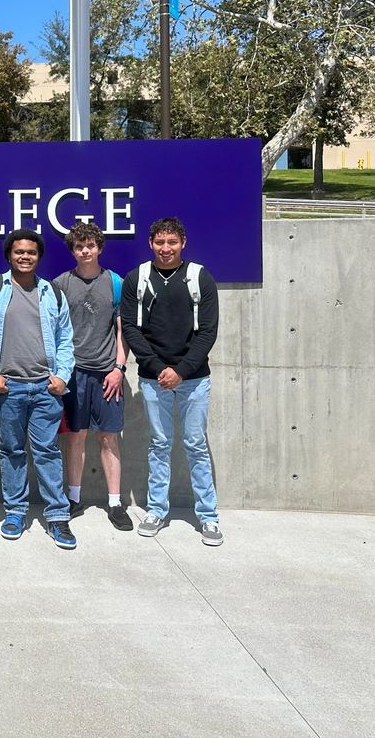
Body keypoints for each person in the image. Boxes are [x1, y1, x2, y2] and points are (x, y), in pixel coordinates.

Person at [120, 217, 223, 546]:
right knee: (160, 445)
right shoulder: (137, 278)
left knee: (195, 446)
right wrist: (156, 366)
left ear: (183, 243)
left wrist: (181, 370)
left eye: (172, 242)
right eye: (160, 242)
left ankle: (209, 517)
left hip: (194, 380)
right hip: (152, 380)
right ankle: (156, 510)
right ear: (151, 243)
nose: (166, 249)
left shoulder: (199, 277)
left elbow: (207, 331)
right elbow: (131, 329)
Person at [0, 229, 78, 550]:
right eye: (19, 252)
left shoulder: (52, 292)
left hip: (45, 389)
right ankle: (15, 512)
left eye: (31, 253)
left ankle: (57, 516)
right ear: (9, 255)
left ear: (39, 257)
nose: (25, 257)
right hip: (7, 389)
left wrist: (63, 376)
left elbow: (66, 337)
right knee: (11, 451)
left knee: (47, 451)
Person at [52, 222, 133, 531]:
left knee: (109, 437)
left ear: (99, 247)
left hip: (106, 374)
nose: (85, 250)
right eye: (78, 246)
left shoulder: (115, 283)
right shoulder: (60, 283)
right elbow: (54, 329)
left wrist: (119, 369)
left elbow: (123, 331)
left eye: (90, 245)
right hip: (72, 373)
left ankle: (115, 503)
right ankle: (74, 498)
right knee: (75, 437)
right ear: (72, 250)